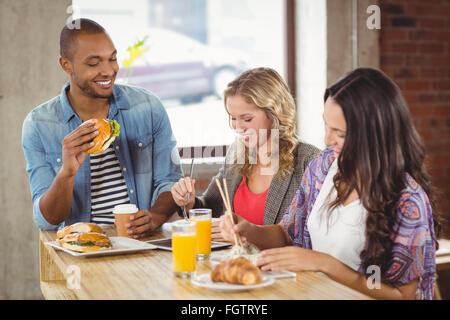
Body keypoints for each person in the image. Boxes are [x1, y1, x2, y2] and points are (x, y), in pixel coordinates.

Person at [219, 68, 441, 300]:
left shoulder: (407, 201)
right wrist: (248, 230)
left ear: (373, 133)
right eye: (326, 126)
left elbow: (406, 296)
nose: (327, 140)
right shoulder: (323, 165)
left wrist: (326, 265)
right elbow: (287, 233)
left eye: (340, 133)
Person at [21, 18, 183, 238]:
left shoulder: (148, 107)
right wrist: (66, 173)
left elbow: (170, 180)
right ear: (66, 65)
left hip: (141, 242)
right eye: (93, 63)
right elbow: (47, 220)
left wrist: (155, 216)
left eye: (112, 59)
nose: (108, 71)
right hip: (82, 248)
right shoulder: (39, 125)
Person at [171, 67, 320, 240]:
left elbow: (309, 236)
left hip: (281, 265)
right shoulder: (238, 153)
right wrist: (190, 203)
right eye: (233, 118)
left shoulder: (309, 161)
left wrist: (248, 233)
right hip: (234, 263)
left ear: (275, 113)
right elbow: (211, 206)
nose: (238, 127)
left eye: (247, 119)